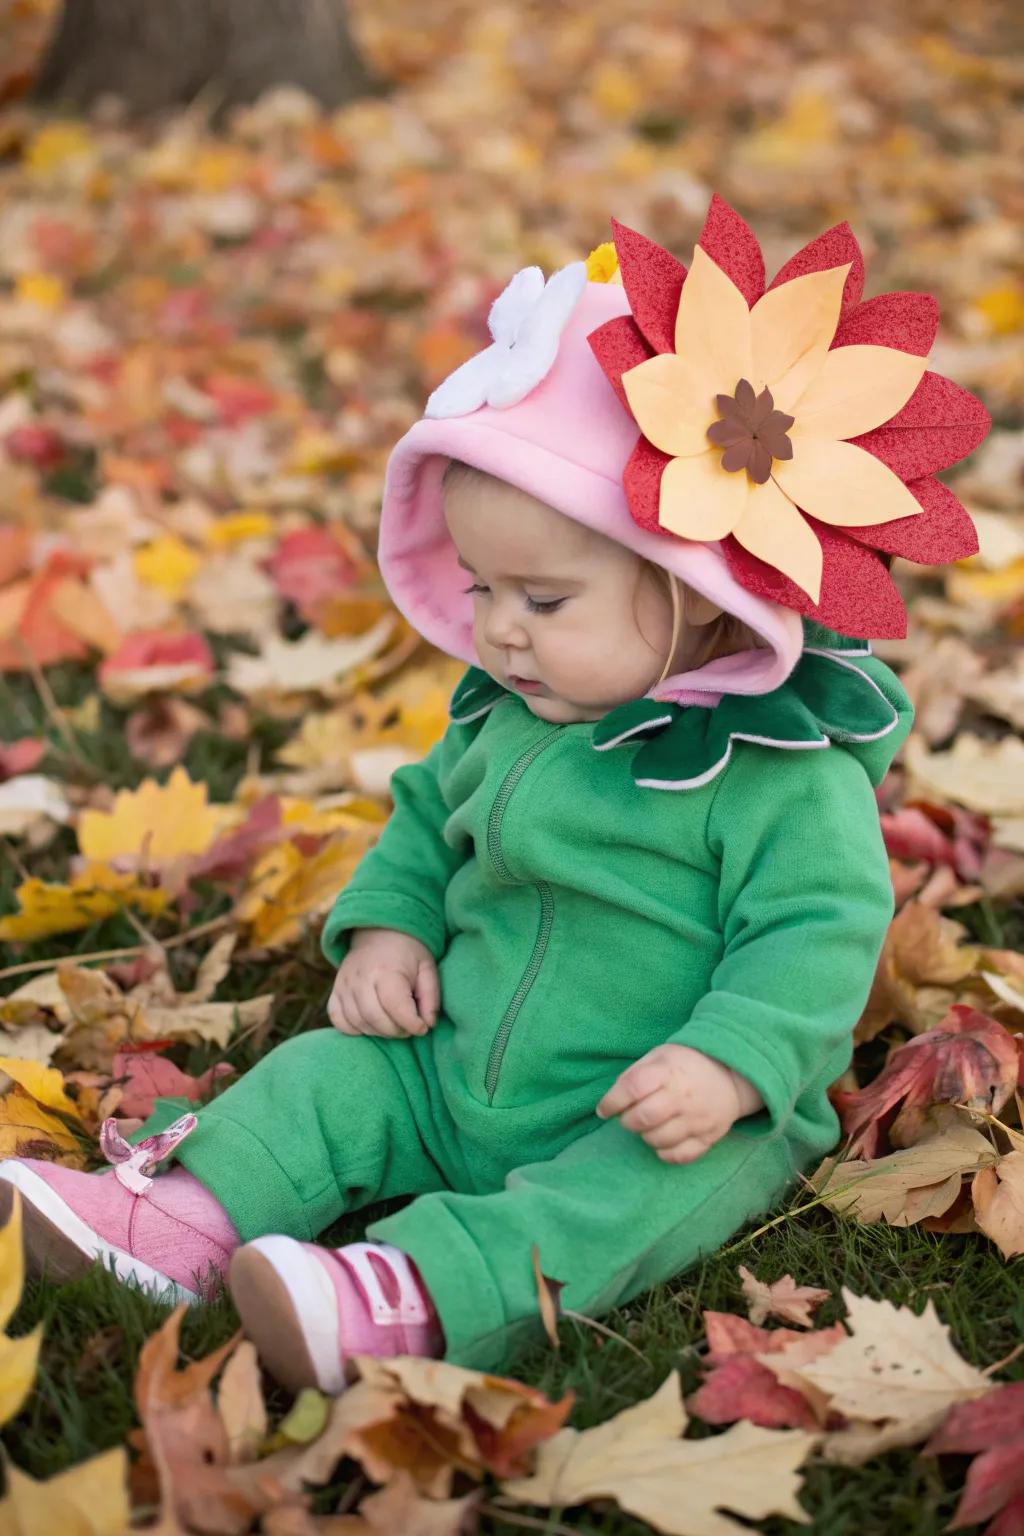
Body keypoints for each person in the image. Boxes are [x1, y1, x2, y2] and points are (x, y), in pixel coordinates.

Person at [0, 196, 989, 1396]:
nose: (499, 632)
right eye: (480, 587)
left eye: (544, 599)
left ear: (697, 596)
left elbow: (816, 938)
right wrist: (389, 926)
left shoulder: (778, 778)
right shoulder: (511, 715)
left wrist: (729, 1065)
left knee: (622, 1202)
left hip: (653, 1105)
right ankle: (181, 1223)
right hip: (448, 1059)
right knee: (329, 1077)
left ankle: (411, 1296)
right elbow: (425, 817)